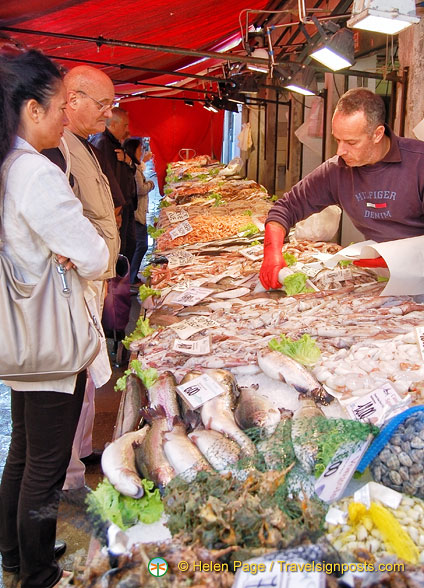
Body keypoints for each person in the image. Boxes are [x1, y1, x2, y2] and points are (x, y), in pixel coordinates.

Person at [0, 50, 109, 587]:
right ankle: (39, 573)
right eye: (57, 106)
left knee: (23, 451)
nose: (66, 117)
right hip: (48, 341)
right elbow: (93, 255)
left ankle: (16, 554)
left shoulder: (7, 166)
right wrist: (76, 249)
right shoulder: (34, 173)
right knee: (44, 464)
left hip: (22, 338)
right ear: (30, 110)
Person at [260, 87, 424, 290]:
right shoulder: (337, 170)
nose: (340, 150)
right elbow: (285, 208)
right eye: (337, 139)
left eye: (351, 142)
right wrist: (272, 253)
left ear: (378, 134)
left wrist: (401, 259)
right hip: (382, 279)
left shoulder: (419, 164)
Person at [55, 65, 120, 495]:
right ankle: (68, 475)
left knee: (87, 380)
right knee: (72, 382)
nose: (108, 115)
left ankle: (78, 457)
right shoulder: (56, 149)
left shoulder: (84, 144)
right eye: (102, 105)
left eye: (112, 106)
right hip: (71, 290)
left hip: (91, 282)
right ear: (71, 100)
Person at [90, 107, 137, 264]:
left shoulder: (114, 143)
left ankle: (124, 283)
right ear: (114, 124)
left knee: (127, 246)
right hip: (115, 211)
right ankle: (119, 287)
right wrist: (115, 210)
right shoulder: (102, 144)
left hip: (124, 207)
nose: (127, 129)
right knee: (119, 250)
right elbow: (106, 181)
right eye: (125, 125)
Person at [123, 138, 155, 284]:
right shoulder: (134, 170)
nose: (142, 152)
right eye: (140, 149)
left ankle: (132, 276)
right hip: (136, 214)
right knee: (140, 244)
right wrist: (151, 184)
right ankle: (131, 278)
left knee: (140, 244)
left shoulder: (135, 166)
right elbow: (140, 189)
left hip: (138, 213)